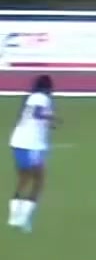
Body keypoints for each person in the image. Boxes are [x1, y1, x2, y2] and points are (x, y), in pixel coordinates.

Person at [9, 75, 54, 233]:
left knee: (23, 179)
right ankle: (24, 219)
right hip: (32, 144)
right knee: (38, 181)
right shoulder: (42, 98)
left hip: (18, 141)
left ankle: (14, 217)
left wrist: (48, 122)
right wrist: (51, 118)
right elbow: (37, 114)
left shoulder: (29, 97)